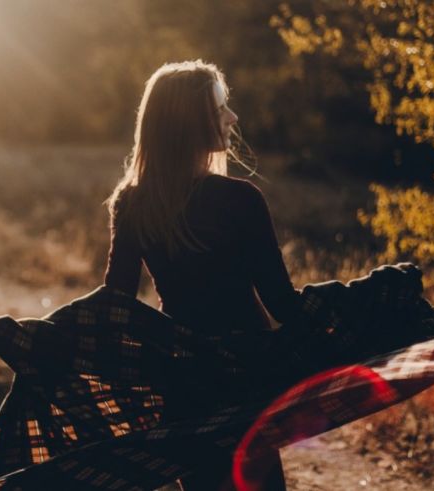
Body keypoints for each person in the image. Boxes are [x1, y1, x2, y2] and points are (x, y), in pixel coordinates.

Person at [103, 60, 301, 491]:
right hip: (246, 379)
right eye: (220, 109)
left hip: (183, 378)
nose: (233, 118)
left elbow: (114, 308)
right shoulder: (240, 199)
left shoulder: (132, 203)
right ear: (189, 123)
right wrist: (359, 310)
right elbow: (283, 303)